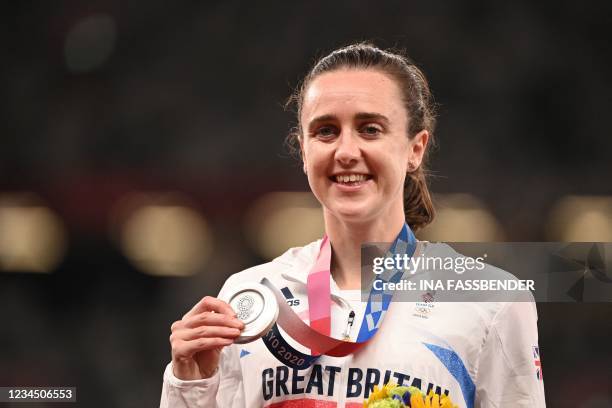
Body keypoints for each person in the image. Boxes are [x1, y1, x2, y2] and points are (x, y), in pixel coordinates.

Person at [159, 43, 546, 408]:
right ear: (304, 151)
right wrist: (189, 384)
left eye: (370, 129)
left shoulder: (490, 301)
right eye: (326, 131)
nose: (346, 152)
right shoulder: (250, 297)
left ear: (415, 148)